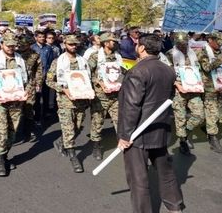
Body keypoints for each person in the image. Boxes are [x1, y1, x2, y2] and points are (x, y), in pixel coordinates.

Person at [117, 34, 184, 213]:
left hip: (138, 134)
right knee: (165, 171)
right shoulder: (168, 69)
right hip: (160, 128)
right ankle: (175, 205)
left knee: (138, 179)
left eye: (137, 45)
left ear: (141, 48)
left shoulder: (138, 71)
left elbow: (132, 106)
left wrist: (125, 135)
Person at [0, 33, 30, 177]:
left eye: (13, 45)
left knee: (12, 131)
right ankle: (0, 160)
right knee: (1, 130)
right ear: (1, 44)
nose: (11, 48)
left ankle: (5, 154)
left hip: (16, 101)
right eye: (8, 45)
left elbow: (28, 79)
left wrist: (27, 92)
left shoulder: (20, 60)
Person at [46, 35, 92, 173]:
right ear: (65, 44)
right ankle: (73, 156)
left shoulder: (83, 61)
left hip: (81, 100)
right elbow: (49, 81)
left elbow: (88, 78)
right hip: (65, 101)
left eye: (75, 44)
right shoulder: (57, 62)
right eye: (71, 44)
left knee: (77, 127)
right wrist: (63, 89)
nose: (74, 46)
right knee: (68, 129)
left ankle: (61, 142)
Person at [166, 32, 205, 156]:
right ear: (176, 43)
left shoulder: (193, 53)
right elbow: (167, 73)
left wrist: (200, 83)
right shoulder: (170, 54)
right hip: (179, 89)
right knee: (180, 117)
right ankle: (183, 141)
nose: (183, 46)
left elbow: (198, 69)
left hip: (193, 88)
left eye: (185, 43)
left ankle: (186, 132)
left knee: (199, 115)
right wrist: (178, 85)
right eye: (180, 44)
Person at [88, 32, 123, 161]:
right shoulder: (95, 57)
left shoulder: (118, 56)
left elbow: (122, 71)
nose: (115, 43)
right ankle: (96, 146)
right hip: (100, 95)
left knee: (119, 120)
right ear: (106, 43)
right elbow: (87, 74)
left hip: (116, 95)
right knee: (98, 121)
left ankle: (122, 143)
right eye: (113, 41)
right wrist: (99, 83)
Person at [17, 34, 43, 142]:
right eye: (20, 44)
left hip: (30, 85)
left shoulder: (35, 55)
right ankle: (15, 130)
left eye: (24, 44)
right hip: (15, 85)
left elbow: (39, 70)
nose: (22, 46)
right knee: (16, 108)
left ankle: (28, 132)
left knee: (29, 108)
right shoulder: (14, 54)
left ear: (29, 44)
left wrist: (38, 83)